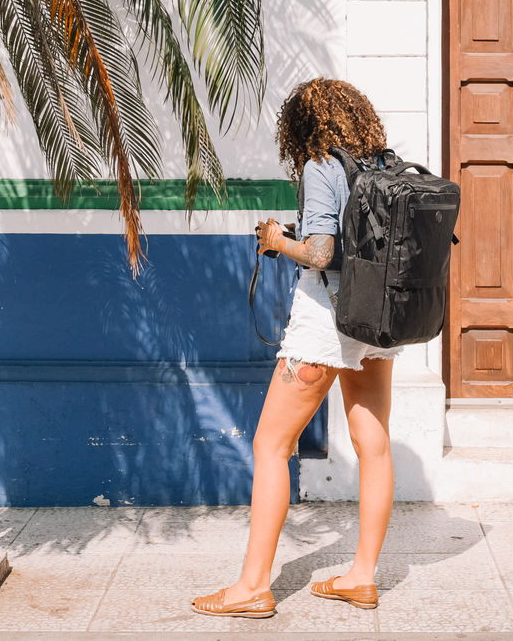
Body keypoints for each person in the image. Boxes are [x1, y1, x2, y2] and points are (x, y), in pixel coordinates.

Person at [190, 78, 401, 619]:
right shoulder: (378, 162)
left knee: (270, 445)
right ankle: (361, 577)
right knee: (373, 446)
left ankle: (253, 587)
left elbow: (324, 252)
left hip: (326, 322)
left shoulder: (320, 164)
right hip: (374, 321)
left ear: (303, 125)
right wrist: (300, 233)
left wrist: (276, 241)